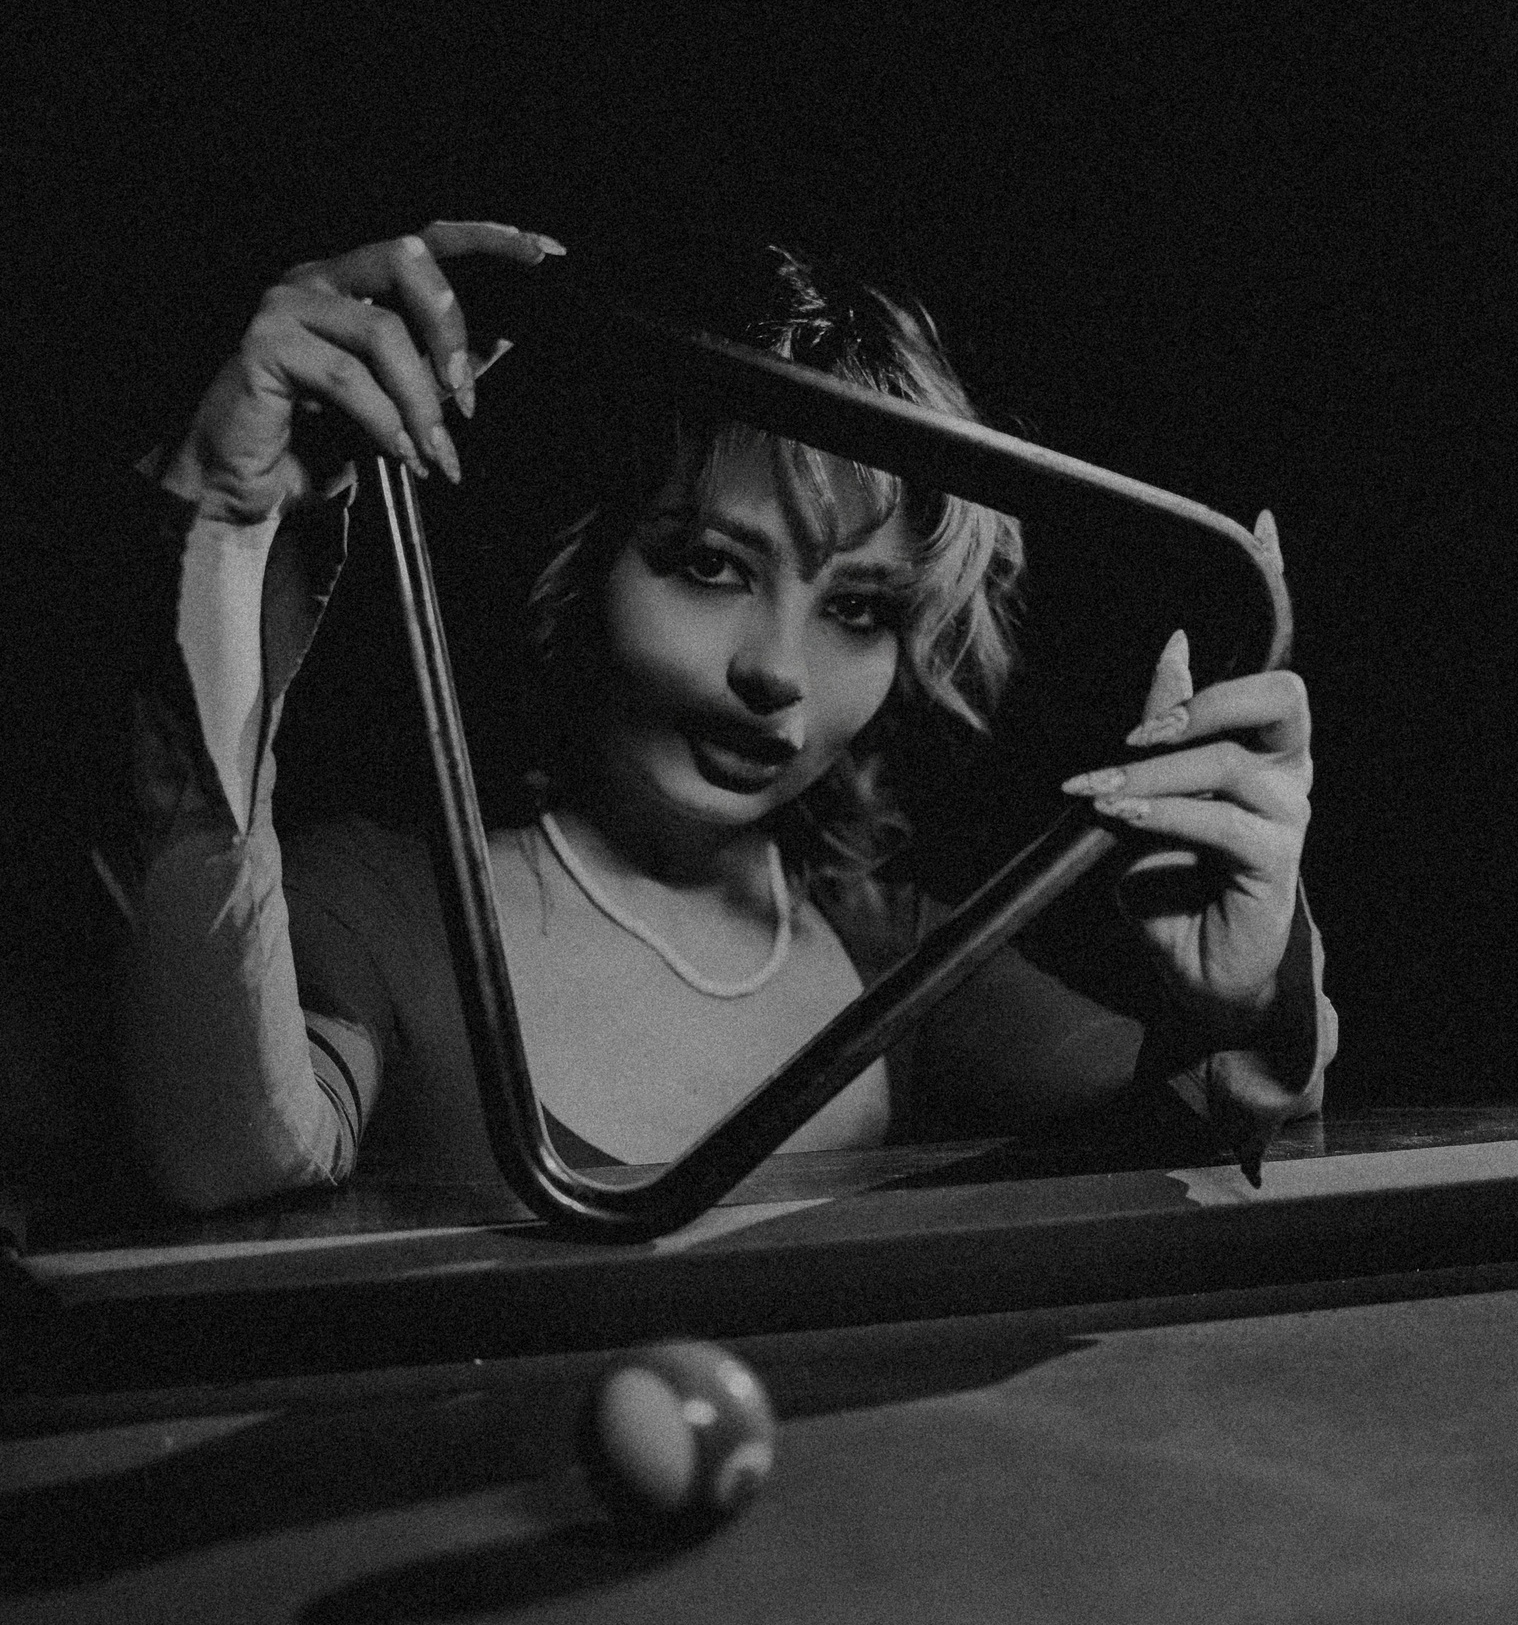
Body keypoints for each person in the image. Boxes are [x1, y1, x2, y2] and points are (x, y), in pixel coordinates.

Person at [110, 221, 1334, 1210]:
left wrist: (1246, 1003)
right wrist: (225, 526)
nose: (778, 672)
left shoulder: (905, 965)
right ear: (582, 564)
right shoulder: (382, 910)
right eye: (710, 565)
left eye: (858, 608)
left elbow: (1205, 1139)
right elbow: (225, 1154)